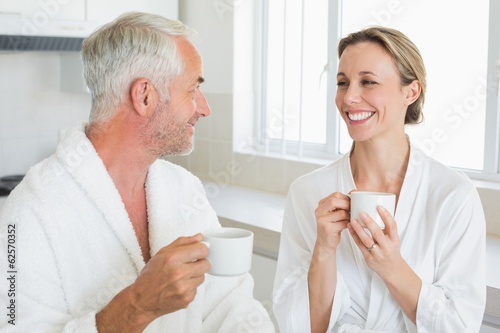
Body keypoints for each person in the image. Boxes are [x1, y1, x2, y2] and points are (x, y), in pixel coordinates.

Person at [0, 12, 274, 332]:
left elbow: (231, 305)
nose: (204, 108)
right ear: (144, 96)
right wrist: (137, 305)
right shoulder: (28, 211)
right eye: (192, 90)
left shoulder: (184, 190)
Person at [273, 26, 486, 333]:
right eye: (342, 83)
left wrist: (392, 267)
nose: (349, 98)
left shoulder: (453, 197)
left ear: (411, 92)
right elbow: (304, 328)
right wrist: (324, 251)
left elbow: (459, 326)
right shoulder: (307, 193)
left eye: (368, 82)